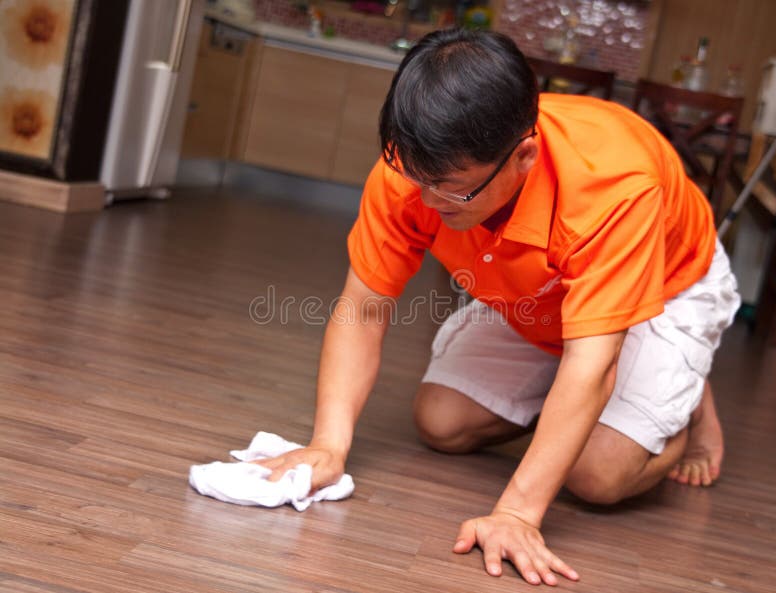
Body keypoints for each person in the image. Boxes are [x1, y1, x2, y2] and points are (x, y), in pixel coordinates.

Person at [255, 28, 740, 586]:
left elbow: (592, 363)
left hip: (665, 285)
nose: (429, 203)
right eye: (418, 181)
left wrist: (516, 513)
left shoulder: (616, 189)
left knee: (597, 474)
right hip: (540, 290)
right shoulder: (416, 170)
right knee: (441, 422)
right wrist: (327, 445)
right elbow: (363, 308)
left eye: (452, 191)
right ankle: (617, 392)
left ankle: (687, 398)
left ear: (524, 156)